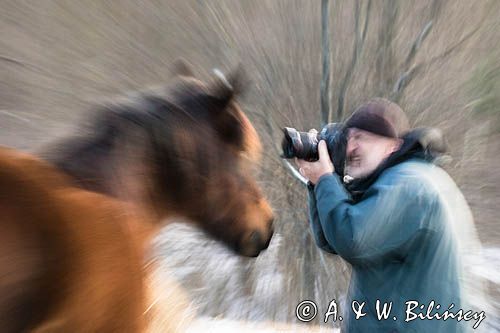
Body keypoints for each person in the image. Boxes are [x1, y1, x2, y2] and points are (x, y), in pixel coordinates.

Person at [296, 98, 489, 332]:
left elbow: (352, 238)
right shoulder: (407, 180)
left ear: (393, 146)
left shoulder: (408, 185)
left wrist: (325, 180)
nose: (350, 147)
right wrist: (319, 183)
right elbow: (333, 240)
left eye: (362, 138)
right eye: (349, 137)